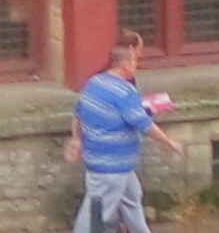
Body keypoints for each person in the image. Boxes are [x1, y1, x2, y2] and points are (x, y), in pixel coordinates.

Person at [68, 35, 170, 233]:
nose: (138, 64)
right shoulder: (123, 90)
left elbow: (79, 112)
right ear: (127, 61)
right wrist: (170, 142)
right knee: (95, 213)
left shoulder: (95, 82)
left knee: (132, 198)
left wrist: (77, 139)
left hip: (107, 159)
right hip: (111, 163)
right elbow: (142, 123)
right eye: (136, 59)